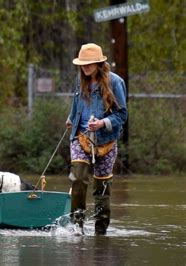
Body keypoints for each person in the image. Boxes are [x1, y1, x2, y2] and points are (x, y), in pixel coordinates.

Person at [66, 43, 128, 235]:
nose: (85, 67)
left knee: (102, 189)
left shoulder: (115, 82)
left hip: (106, 142)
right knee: (78, 178)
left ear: (99, 63)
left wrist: (102, 123)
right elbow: (76, 103)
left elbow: (122, 115)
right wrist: (71, 118)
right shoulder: (80, 80)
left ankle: (101, 232)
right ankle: (77, 225)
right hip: (80, 137)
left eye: (89, 64)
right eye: (82, 64)